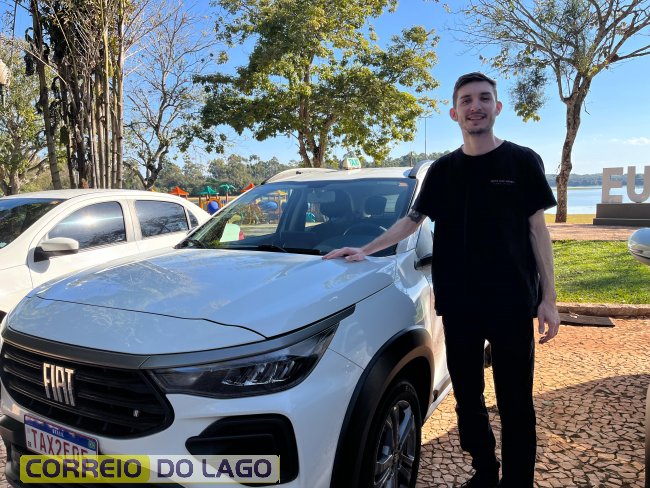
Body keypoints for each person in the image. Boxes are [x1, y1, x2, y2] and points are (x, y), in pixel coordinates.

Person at [323, 72, 560, 488]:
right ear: (454, 113)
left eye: (484, 98)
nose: (475, 107)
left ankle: (517, 482)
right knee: (467, 399)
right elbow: (411, 222)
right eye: (466, 100)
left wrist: (549, 300)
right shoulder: (443, 171)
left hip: (512, 302)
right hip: (460, 304)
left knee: (516, 402)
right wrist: (365, 250)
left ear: (497, 107)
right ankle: (484, 471)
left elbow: (537, 231)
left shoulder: (523, 161)